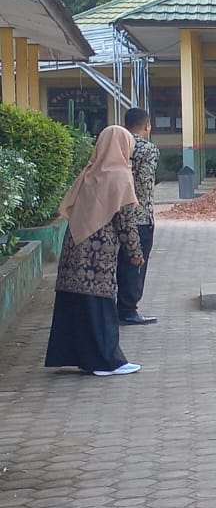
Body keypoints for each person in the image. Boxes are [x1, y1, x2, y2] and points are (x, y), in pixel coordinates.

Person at [43, 126, 145, 376]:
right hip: (97, 254)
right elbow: (125, 221)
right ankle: (106, 362)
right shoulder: (120, 176)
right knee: (99, 305)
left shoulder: (90, 171)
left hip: (74, 246)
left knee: (78, 303)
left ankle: (84, 358)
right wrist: (135, 253)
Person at [116, 107, 159, 326]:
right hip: (139, 217)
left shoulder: (115, 145)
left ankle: (116, 306)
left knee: (118, 263)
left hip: (114, 214)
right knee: (135, 264)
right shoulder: (147, 149)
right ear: (147, 126)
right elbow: (144, 184)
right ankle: (128, 309)